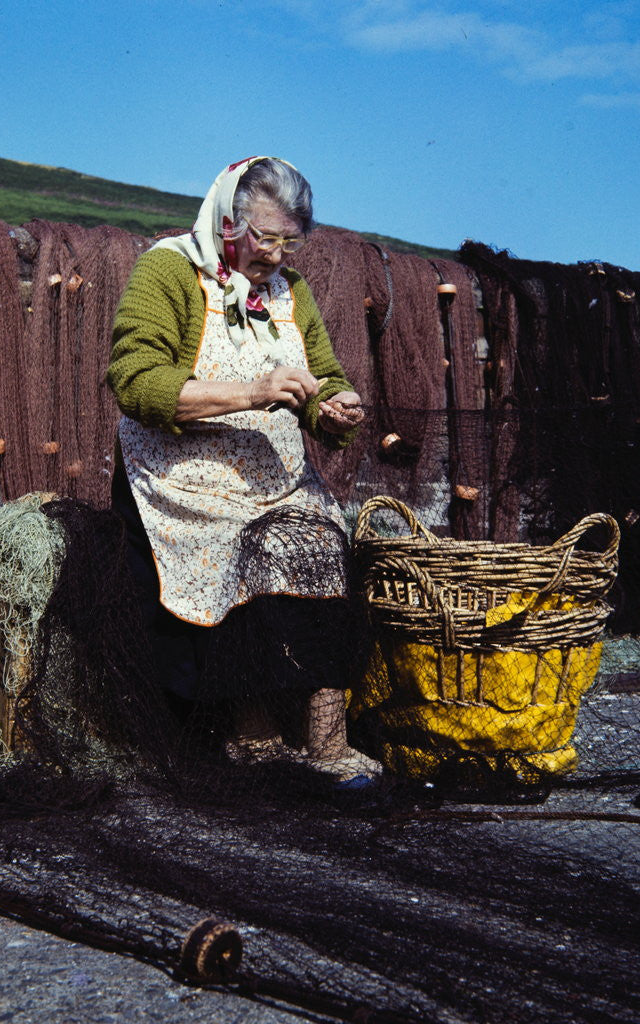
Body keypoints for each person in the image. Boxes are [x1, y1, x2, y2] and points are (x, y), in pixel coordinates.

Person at [106, 156, 379, 784]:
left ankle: (328, 744)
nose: (276, 256)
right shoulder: (170, 270)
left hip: (275, 479)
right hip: (183, 477)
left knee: (321, 545)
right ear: (227, 220)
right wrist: (253, 392)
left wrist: (335, 407)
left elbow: (323, 377)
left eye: (290, 242)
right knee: (236, 551)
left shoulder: (292, 292)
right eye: (265, 237)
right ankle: (252, 733)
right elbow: (136, 382)